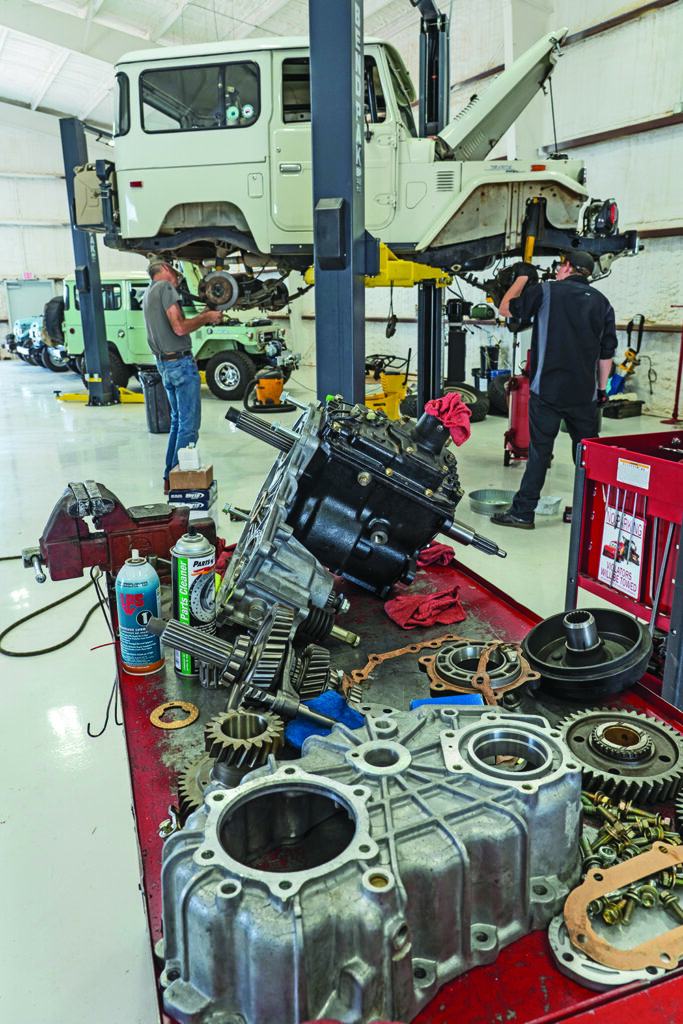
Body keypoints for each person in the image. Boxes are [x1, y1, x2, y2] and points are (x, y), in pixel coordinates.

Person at [490, 250, 617, 530]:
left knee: (539, 453)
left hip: (547, 392)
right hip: (584, 395)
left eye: (561, 266)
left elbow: (506, 308)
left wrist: (523, 276)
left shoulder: (546, 291)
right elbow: (606, 354)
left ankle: (523, 514)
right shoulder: (602, 302)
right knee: (586, 455)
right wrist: (600, 390)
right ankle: (588, 513)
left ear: (567, 267)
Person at [142, 257, 223, 492]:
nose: (177, 279)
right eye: (176, 272)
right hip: (180, 364)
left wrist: (204, 313)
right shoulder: (166, 287)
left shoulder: (149, 293)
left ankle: (170, 477)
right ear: (165, 268)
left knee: (178, 423)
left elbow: (175, 325)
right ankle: (181, 481)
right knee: (189, 426)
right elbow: (179, 327)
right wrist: (207, 318)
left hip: (165, 365)